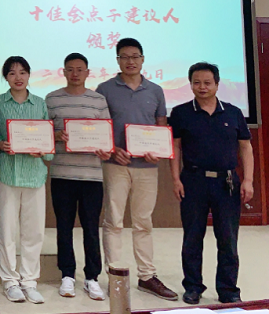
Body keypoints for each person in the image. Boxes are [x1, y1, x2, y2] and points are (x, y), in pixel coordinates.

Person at [95, 38, 178, 301]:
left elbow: (161, 126)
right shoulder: (105, 89)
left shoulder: (155, 90)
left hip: (147, 166)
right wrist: (111, 149)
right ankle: (115, 276)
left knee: (143, 222)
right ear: (117, 60)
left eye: (135, 56)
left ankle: (147, 276)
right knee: (114, 221)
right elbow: (99, 127)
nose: (130, 61)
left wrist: (159, 150)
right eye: (124, 57)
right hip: (115, 165)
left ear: (142, 59)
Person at [169, 62, 254, 305]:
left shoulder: (233, 113)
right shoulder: (181, 112)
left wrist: (248, 180)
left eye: (207, 82)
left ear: (217, 84)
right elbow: (175, 147)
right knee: (192, 236)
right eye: (196, 82)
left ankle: (228, 289)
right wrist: (175, 179)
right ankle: (193, 286)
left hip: (227, 182)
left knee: (227, 238)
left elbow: (246, 147)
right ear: (190, 84)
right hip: (193, 181)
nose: (202, 87)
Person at [45, 53, 111, 301]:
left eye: (79, 69)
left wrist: (105, 148)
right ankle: (67, 275)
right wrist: (56, 135)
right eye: (70, 69)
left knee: (91, 228)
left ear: (87, 72)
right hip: (62, 173)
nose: (75, 74)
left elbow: (106, 134)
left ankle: (92, 277)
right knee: (64, 227)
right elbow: (42, 132)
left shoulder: (98, 100)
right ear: (63, 72)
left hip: (92, 176)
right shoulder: (52, 99)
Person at [0, 56, 52, 304]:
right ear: (6, 77)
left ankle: (29, 281)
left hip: (34, 175)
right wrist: (0, 145)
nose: (18, 77)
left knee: (33, 232)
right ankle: (9, 281)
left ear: (29, 75)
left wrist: (43, 151)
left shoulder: (40, 104)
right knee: (7, 231)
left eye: (22, 72)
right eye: (12, 73)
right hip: (7, 174)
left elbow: (48, 140)